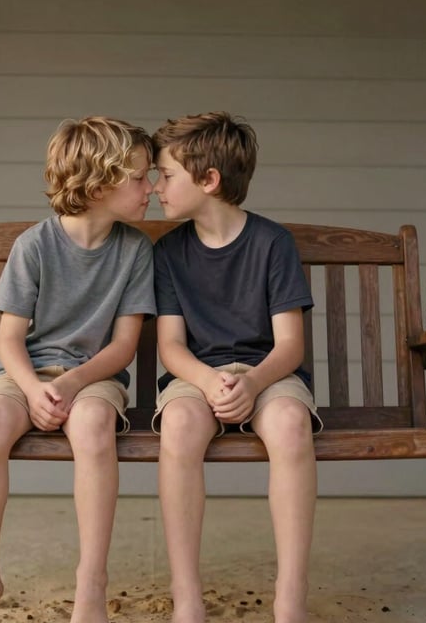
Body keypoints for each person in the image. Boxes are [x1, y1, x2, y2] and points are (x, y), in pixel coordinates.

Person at [0, 116, 156, 623]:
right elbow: (9, 340)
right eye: (139, 176)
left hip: (94, 378)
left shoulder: (134, 251)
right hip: (24, 374)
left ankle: (92, 582)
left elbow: (124, 345)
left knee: (91, 427)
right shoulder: (35, 245)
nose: (150, 186)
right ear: (98, 183)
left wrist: (69, 383)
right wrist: (33, 388)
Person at [150, 112, 322, 623]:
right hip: (195, 375)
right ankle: (187, 596)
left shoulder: (273, 244)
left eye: (167, 174)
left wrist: (251, 382)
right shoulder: (168, 252)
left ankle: (290, 594)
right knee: (179, 425)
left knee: (291, 426)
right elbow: (171, 346)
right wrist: (207, 380)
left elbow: (290, 344)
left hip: (268, 373)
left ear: (209, 180)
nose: (158, 186)